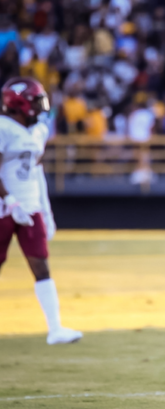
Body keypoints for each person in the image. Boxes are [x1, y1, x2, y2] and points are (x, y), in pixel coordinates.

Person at [0, 76, 82, 345]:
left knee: (41, 265)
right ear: (19, 103)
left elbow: (36, 169)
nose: (40, 107)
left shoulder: (38, 130)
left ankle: (55, 328)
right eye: (35, 101)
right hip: (3, 208)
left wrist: (45, 209)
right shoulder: (4, 128)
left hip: (30, 206)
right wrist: (9, 200)